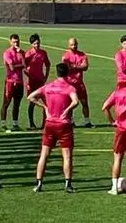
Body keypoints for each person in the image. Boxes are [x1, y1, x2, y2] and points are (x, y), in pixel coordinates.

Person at [29, 63, 80, 193]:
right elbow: (76, 101)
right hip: (64, 124)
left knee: (44, 155)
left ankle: (39, 183)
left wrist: (44, 107)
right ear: (67, 73)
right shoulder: (69, 88)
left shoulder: (48, 87)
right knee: (67, 156)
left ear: (56, 73)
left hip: (50, 123)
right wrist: (67, 110)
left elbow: (30, 97)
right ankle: (68, 184)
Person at [62, 38, 92, 127]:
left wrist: (74, 66)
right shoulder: (66, 56)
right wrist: (79, 67)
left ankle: (87, 121)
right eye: (72, 45)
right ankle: (71, 121)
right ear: (68, 45)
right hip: (69, 84)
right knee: (70, 103)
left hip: (79, 83)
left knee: (84, 102)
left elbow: (85, 67)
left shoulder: (82, 55)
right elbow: (67, 68)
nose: (74, 46)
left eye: (75, 44)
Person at [24, 34, 51, 130]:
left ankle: (45, 123)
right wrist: (29, 76)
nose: (37, 45)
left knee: (46, 102)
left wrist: (45, 76)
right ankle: (31, 124)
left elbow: (48, 64)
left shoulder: (43, 53)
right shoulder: (28, 54)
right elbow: (24, 67)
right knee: (32, 102)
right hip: (31, 82)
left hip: (40, 81)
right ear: (31, 44)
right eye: (35, 44)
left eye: (38, 43)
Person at [0, 34, 26, 131]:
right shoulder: (7, 53)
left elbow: (24, 64)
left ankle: (15, 124)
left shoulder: (21, 52)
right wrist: (20, 65)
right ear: (10, 42)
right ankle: (3, 123)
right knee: (6, 102)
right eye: (14, 42)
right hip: (10, 81)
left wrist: (20, 59)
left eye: (17, 42)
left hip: (19, 81)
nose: (16, 44)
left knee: (17, 103)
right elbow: (11, 67)